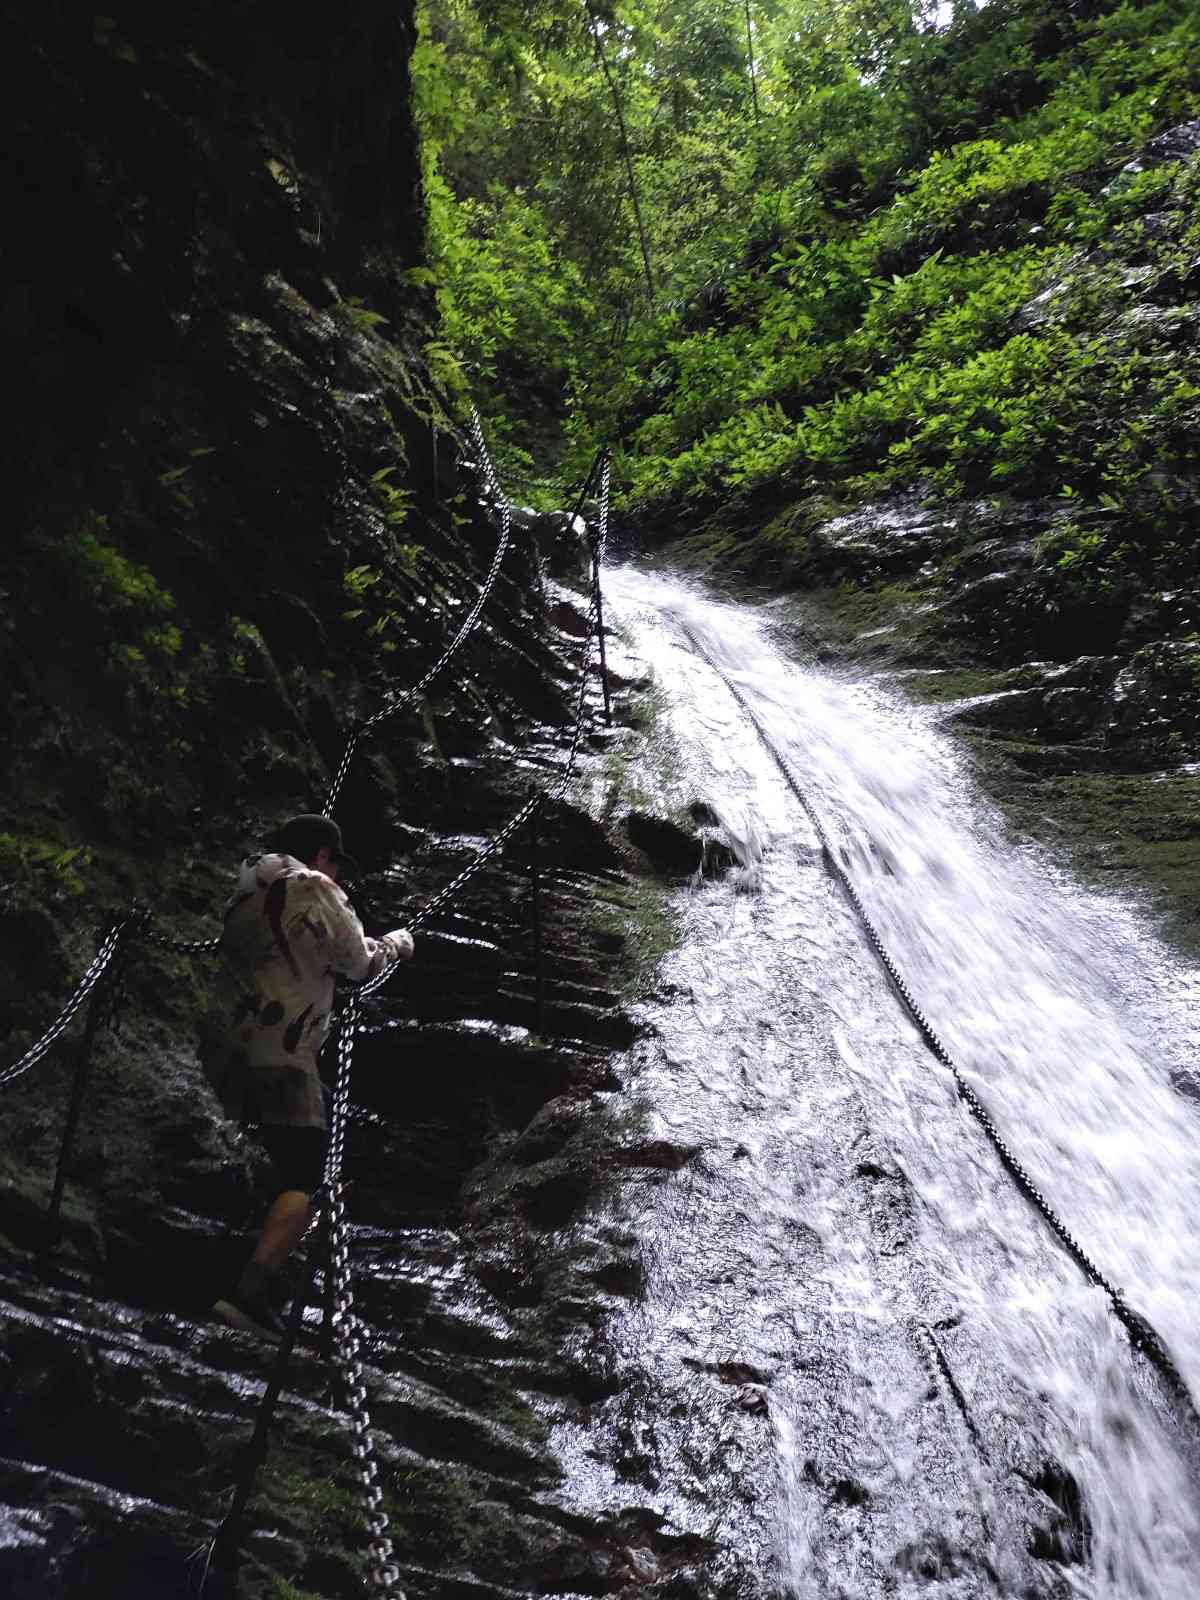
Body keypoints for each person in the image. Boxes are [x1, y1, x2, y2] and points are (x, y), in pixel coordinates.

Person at [211, 814, 413, 1340]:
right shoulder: (313, 886)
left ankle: (255, 1249)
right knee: (309, 1171)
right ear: (321, 854)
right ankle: (249, 1292)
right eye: (335, 862)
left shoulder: (246, 887)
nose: (337, 873)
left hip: (231, 1042)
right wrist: (396, 944)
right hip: (283, 1049)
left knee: (301, 1140)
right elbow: (359, 964)